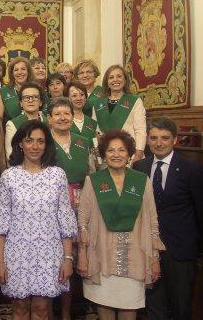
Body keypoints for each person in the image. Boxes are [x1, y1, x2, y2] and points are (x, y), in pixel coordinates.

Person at [0, 120, 77, 320]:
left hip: (49, 253)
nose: (35, 146)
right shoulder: (8, 177)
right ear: (20, 143)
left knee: (41, 308)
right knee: (20, 307)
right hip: (16, 253)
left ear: (47, 145)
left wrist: (68, 259)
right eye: (29, 141)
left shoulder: (57, 176)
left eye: (40, 141)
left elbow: (65, 220)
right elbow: (1, 223)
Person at [77, 130, 165, 319]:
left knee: (129, 310)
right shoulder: (93, 181)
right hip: (101, 258)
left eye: (121, 150)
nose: (116, 155)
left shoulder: (142, 181)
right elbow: (82, 223)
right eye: (110, 150)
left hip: (135, 257)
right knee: (105, 309)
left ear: (129, 153)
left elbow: (152, 221)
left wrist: (154, 257)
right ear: (103, 154)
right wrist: (82, 256)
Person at [133, 118, 203, 320]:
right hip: (148, 248)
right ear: (147, 140)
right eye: (153, 138)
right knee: (154, 306)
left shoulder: (192, 169)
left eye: (164, 138)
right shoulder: (139, 167)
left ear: (175, 140)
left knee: (182, 306)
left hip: (180, 250)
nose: (158, 143)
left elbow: (200, 211)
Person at [47, 98, 95, 320]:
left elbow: (92, 171)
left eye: (66, 113)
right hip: (51, 204)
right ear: (49, 119)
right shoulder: (44, 142)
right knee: (54, 256)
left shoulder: (84, 140)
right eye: (57, 114)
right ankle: (47, 308)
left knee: (75, 255)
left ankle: (67, 311)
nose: (63, 117)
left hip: (81, 201)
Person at [95, 65, 146, 162]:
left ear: (125, 79)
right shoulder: (98, 103)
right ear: (106, 82)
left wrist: (138, 153)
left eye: (119, 76)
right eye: (111, 77)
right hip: (107, 154)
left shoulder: (135, 101)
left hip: (130, 153)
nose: (115, 80)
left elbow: (140, 129)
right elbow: (96, 131)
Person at [4, 82, 48, 159]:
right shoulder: (12, 124)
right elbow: (11, 155)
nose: (30, 100)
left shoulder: (49, 122)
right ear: (21, 103)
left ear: (41, 102)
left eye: (35, 97)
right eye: (26, 97)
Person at [0, 56, 34, 124]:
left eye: (23, 69)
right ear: (12, 73)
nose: (20, 72)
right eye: (16, 70)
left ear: (28, 72)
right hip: (11, 131)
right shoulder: (3, 92)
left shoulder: (36, 89)